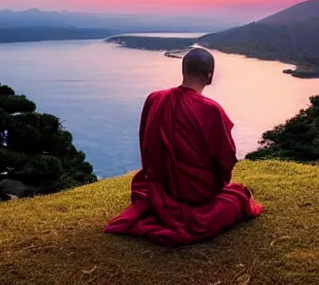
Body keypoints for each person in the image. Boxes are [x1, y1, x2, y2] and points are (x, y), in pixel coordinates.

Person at [104, 47, 263, 247]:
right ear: (210, 76)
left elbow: (146, 141)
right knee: (238, 197)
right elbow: (225, 157)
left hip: (158, 186)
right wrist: (217, 183)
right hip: (197, 194)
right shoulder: (210, 109)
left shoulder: (155, 99)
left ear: (183, 71)